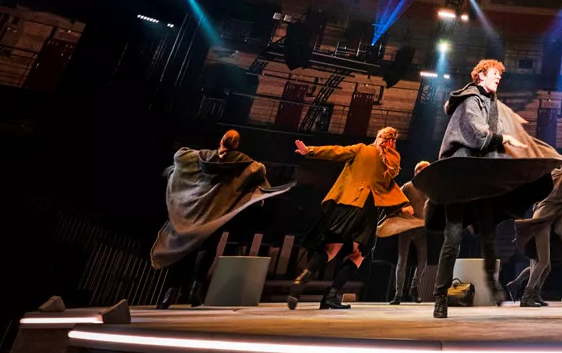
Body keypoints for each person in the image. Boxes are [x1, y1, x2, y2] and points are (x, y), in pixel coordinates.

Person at [411, 58, 562, 318]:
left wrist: (517, 136)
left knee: (489, 233)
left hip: (482, 174)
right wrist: (503, 138)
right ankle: (440, 296)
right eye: (495, 73)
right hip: (461, 174)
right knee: (453, 238)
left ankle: (493, 284)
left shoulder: (492, 103)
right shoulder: (470, 99)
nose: (498, 77)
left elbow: (502, 124)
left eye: (500, 75)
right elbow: (476, 131)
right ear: (480, 75)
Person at [151, 129, 292, 308]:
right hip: (216, 216)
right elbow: (259, 169)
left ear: (221, 141)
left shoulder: (203, 156)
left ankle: (170, 293)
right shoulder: (242, 162)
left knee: (186, 250)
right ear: (236, 145)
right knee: (207, 250)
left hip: (195, 214)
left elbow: (181, 155)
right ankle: (195, 290)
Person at [289, 126, 410, 309]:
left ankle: (302, 279)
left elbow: (336, 151)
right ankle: (332, 295)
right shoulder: (392, 160)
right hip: (366, 208)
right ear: (393, 142)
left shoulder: (362, 149)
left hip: (346, 204)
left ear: (378, 137)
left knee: (331, 248)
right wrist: (402, 205)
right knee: (358, 254)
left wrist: (310, 150)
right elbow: (388, 186)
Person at [512, 152, 562, 307]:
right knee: (543, 261)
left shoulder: (555, 176)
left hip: (544, 220)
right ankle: (527, 296)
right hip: (542, 221)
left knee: (544, 264)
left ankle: (535, 294)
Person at [384, 160, 430, 304]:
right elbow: (393, 203)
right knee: (402, 261)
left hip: (421, 228)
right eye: (424, 170)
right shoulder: (407, 187)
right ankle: (398, 294)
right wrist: (403, 209)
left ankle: (414, 288)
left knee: (423, 261)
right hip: (406, 228)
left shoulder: (430, 189)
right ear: (417, 172)